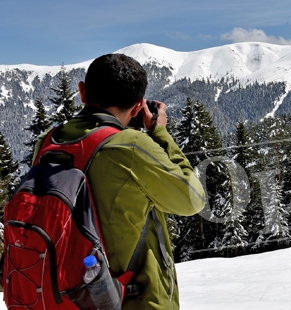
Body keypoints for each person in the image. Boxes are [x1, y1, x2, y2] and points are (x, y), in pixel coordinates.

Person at [32, 53, 206, 309]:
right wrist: (160, 133)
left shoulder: (48, 143)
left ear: (82, 92)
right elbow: (193, 199)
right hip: (127, 299)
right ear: (138, 107)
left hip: (59, 295)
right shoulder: (132, 147)